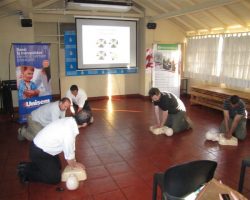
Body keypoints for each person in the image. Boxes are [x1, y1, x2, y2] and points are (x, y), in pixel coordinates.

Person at [17, 113, 86, 184]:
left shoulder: (69, 120)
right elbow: (69, 155)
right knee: (54, 178)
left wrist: (74, 161)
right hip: (39, 152)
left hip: (45, 149)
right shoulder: (69, 132)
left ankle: (26, 165)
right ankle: (25, 171)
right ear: (84, 124)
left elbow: (71, 147)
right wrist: (74, 164)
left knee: (58, 167)